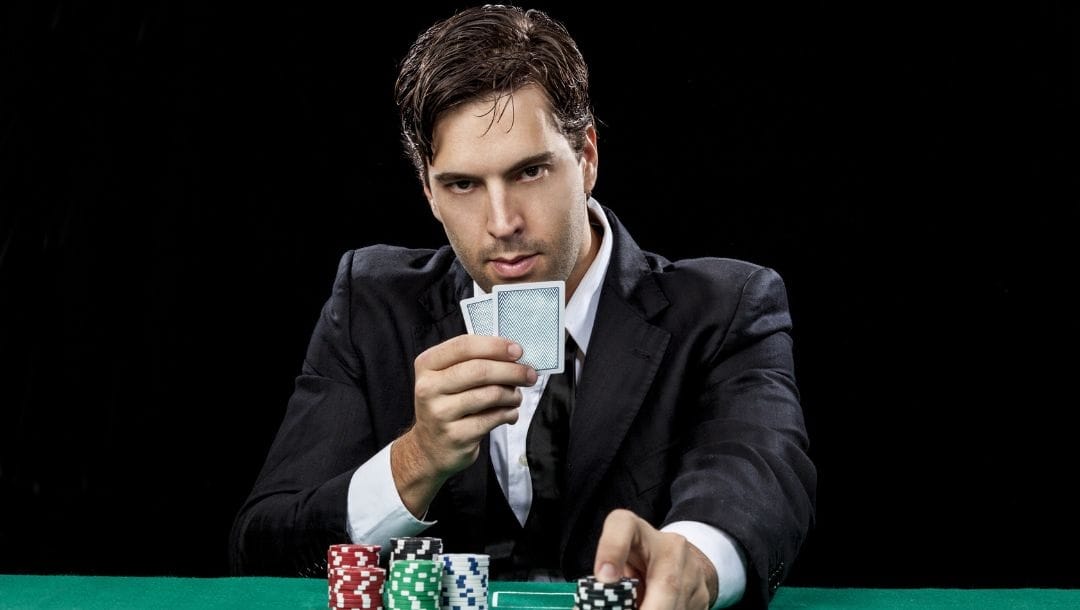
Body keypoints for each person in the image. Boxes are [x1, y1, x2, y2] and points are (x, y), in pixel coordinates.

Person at [229, 5, 815, 609]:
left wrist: (695, 560)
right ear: (428, 191)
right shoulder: (370, 306)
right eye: (463, 184)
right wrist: (414, 461)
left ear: (586, 158)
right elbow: (263, 549)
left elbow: (760, 476)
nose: (502, 222)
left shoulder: (726, 308)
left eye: (530, 171)